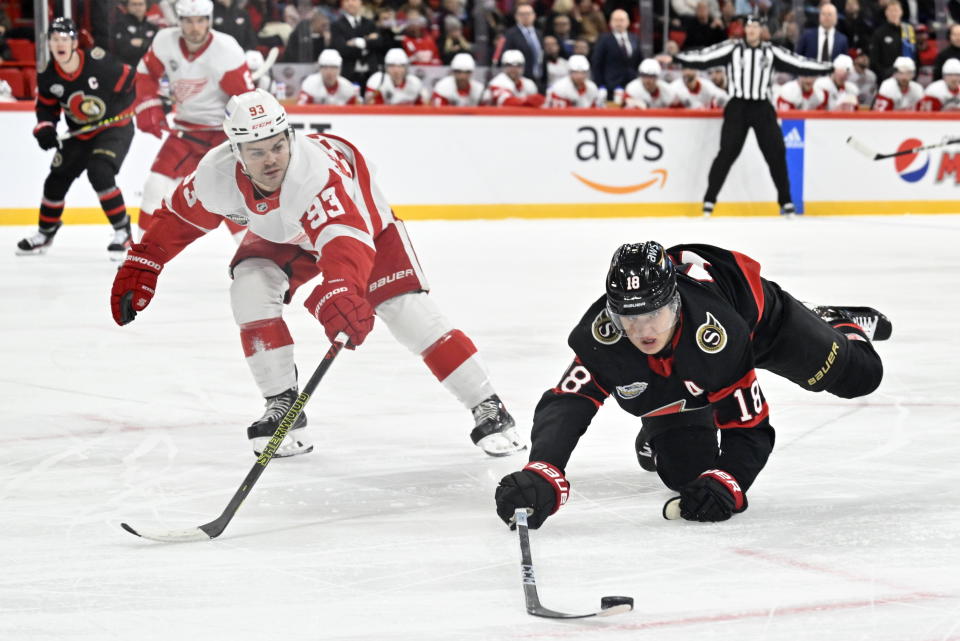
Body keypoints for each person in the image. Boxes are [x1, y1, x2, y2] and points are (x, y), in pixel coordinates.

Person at [110, 89, 526, 459]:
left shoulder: (315, 174)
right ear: (236, 152)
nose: (270, 159)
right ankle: (282, 406)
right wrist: (143, 260)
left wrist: (342, 288)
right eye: (256, 151)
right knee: (250, 288)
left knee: (406, 312)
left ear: (289, 137)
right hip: (285, 234)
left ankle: (489, 406)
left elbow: (346, 243)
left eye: (277, 146)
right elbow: (178, 219)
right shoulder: (215, 174)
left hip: (366, 229)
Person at [494, 241, 888, 528]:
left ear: (676, 303)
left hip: (763, 326)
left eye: (655, 315)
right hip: (694, 366)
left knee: (862, 377)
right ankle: (660, 420)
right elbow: (569, 400)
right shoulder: (603, 333)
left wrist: (732, 480)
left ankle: (832, 319)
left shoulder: (715, 335)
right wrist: (543, 467)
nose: (645, 331)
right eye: (630, 321)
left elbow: (749, 427)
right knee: (691, 480)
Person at [673, 15, 831, 217]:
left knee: (776, 153)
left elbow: (797, 62)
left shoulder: (771, 51)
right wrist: (679, 58)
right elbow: (705, 57)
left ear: (761, 30)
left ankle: (786, 201)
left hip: (762, 107)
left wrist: (827, 67)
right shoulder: (732, 48)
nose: (752, 31)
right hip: (738, 106)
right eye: (748, 27)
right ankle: (709, 200)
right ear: (744, 30)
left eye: (756, 27)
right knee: (726, 153)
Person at [17, 18, 137, 258]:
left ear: (74, 42)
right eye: (54, 40)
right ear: (48, 43)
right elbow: (46, 109)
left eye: (64, 39)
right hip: (80, 133)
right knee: (55, 180)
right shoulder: (49, 75)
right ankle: (45, 232)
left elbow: (133, 80)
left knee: (100, 172)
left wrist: (146, 102)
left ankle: (122, 231)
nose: (59, 44)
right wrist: (45, 128)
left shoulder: (97, 62)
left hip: (114, 128)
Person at [134, 0, 254, 237]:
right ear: (179, 22)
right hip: (185, 132)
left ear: (209, 20)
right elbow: (146, 73)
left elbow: (246, 100)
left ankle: (256, 258)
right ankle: (139, 254)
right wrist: (149, 103)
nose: (195, 28)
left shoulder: (226, 50)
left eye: (200, 21)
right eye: (188, 21)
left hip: (222, 136)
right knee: (154, 187)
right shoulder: (164, 42)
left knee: (232, 200)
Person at [590, 9, 640, 96]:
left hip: (632, 85)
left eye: (621, 20)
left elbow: (638, 61)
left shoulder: (634, 38)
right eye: (615, 20)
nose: (618, 23)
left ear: (628, 22)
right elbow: (597, 63)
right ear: (610, 23)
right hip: (610, 86)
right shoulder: (603, 39)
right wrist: (600, 85)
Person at [331, 0, 377, 84]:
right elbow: (341, 49)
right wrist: (367, 43)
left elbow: (378, 43)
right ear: (343, 4)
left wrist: (358, 42)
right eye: (347, 1)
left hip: (370, 73)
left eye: (354, 0)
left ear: (361, 2)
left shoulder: (370, 23)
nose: (351, 3)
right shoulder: (336, 25)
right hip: (348, 74)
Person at [499, 3, 544, 88]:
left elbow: (541, 55)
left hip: (539, 78)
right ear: (516, 16)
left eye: (528, 14)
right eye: (522, 14)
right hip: (521, 79)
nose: (526, 16)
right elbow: (505, 55)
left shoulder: (539, 33)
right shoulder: (510, 34)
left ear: (534, 15)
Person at [869, 1, 916, 82]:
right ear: (886, 13)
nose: (894, 13)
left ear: (901, 12)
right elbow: (874, 61)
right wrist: (886, 75)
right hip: (887, 78)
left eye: (896, 10)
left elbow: (915, 55)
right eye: (891, 11)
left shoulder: (909, 30)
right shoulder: (879, 33)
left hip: (908, 77)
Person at [298, 48, 362, 105]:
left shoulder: (348, 88)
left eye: (333, 67)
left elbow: (353, 114)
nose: (329, 72)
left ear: (339, 69)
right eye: (325, 67)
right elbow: (302, 112)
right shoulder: (310, 84)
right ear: (319, 69)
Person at [110, 0, 158, 66]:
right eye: (134, 4)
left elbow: (156, 49)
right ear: (127, 6)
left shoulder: (152, 27)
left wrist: (142, 43)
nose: (137, 7)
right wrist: (146, 44)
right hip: (128, 68)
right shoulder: (120, 25)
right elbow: (124, 50)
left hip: (148, 68)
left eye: (140, 4)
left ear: (146, 6)